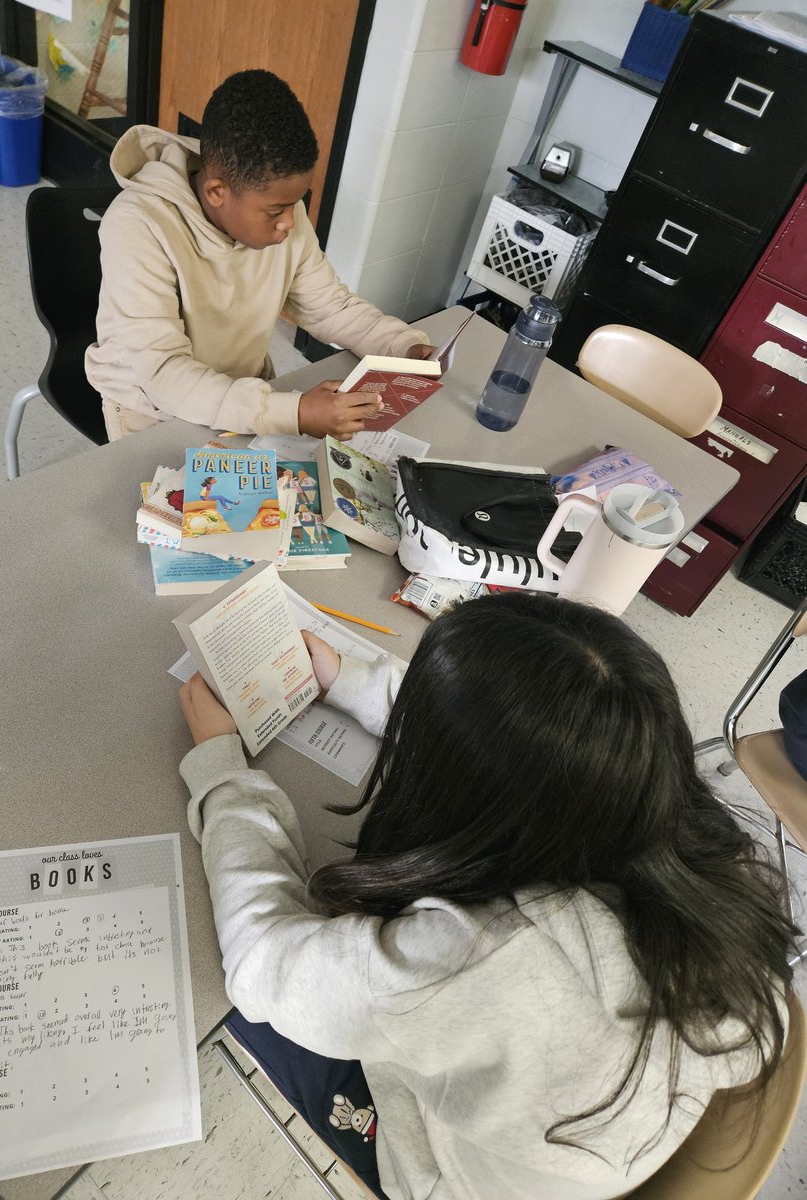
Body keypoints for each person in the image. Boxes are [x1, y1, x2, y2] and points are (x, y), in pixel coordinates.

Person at [177, 592, 798, 1200]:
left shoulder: (475, 956)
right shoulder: (686, 826)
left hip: (455, 1176)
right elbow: (526, 742)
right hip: (611, 1137)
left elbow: (260, 955)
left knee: (223, 998)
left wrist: (222, 772)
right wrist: (349, 680)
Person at [85, 69, 432, 443]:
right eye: (275, 211)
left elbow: (331, 307)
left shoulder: (281, 210)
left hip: (244, 394)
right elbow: (164, 373)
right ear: (217, 191)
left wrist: (401, 347)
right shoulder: (139, 223)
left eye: (296, 205)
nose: (289, 223)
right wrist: (294, 412)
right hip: (151, 409)